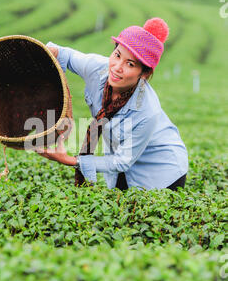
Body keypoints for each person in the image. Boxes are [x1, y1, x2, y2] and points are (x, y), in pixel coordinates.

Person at [34, 17, 188, 191]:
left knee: (137, 214)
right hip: (123, 161)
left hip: (162, 172)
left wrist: (70, 160)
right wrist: (46, 54)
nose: (116, 67)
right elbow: (63, 54)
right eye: (117, 55)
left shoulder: (147, 111)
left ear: (143, 74)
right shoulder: (97, 68)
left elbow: (122, 162)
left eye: (130, 64)